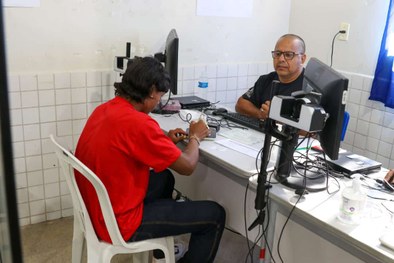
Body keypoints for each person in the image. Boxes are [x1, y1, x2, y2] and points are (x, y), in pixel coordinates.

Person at [74, 56, 226, 263]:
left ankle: (160, 251)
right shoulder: (140, 123)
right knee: (214, 215)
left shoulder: (106, 109)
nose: (158, 103)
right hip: (118, 222)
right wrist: (195, 137)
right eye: (160, 97)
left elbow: (126, 148)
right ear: (152, 90)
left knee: (164, 178)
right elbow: (188, 166)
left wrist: (163, 141)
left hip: (97, 207)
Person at [235, 34, 307, 120]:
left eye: (288, 55)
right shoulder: (266, 80)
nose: (281, 59)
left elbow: (310, 129)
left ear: (302, 59)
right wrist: (261, 114)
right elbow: (241, 104)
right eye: (278, 54)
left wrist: (278, 118)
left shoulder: (311, 89)